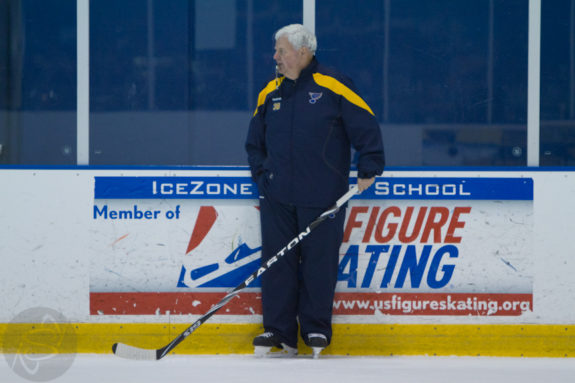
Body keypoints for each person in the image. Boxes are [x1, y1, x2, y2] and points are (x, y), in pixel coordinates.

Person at [245, 24, 385, 358]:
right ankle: (279, 331)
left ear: (303, 51)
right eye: (276, 51)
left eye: (281, 50)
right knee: (277, 263)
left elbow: (365, 125)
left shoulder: (333, 84)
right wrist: (263, 176)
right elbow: (254, 143)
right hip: (278, 197)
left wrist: (371, 164)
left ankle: (315, 329)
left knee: (319, 265)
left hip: (324, 196)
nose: (275, 57)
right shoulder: (270, 92)